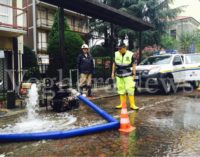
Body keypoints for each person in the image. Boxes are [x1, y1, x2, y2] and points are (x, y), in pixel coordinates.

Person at [111, 43, 139, 110]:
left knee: (130, 89)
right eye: (118, 48)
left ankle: (132, 104)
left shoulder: (131, 54)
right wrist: (112, 73)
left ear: (124, 48)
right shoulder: (116, 54)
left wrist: (134, 74)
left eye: (120, 48)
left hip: (128, 75)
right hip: (118, 75)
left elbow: (134, 65)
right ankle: (122, 104)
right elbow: (114, 64)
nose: (119, 50)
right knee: (121, 89)